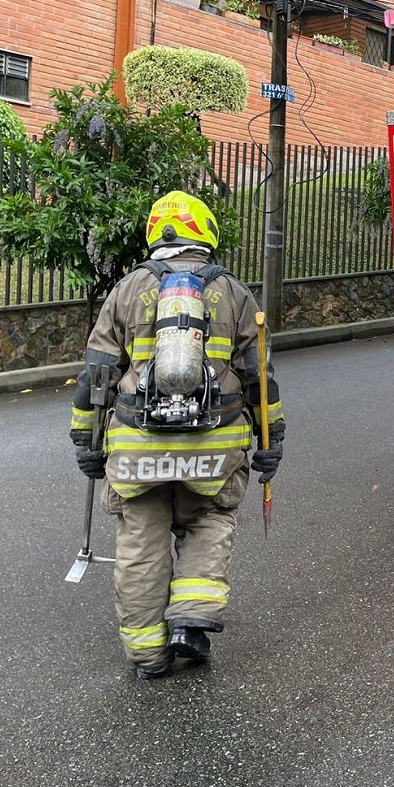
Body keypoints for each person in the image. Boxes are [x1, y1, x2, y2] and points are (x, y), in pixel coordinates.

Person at [69, 191, 284, 679]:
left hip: (135, 444)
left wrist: (85, 440)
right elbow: (259, 378)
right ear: (204, 231)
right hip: (215, 445)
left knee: (140, 543)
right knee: (209, 519)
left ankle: (148, 654)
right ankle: (192, 620)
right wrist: (272, 442)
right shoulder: (233, 292)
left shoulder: (126, 290)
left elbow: (96, 375)